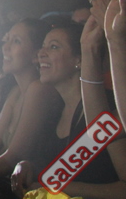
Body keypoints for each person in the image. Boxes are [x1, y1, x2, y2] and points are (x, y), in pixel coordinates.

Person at [10, 21, 126, 197]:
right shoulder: (54, 112)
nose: (41, 53)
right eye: (43, 46)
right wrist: (27, 166)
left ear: (79, 59)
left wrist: (56, 187)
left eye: (53, 47)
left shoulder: (109, 106)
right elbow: (51, 166)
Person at [0, 18, 62, 197]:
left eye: (16, 41)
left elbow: (15, 155)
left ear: (35, 54)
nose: (5, 47)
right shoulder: (16, 93)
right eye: (7, 40)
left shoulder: (39, 89)